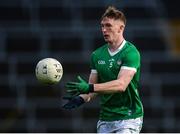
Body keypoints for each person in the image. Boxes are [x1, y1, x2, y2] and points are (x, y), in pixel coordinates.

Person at [63, 5, 143, 133]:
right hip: (105, 119)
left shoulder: (131, 53)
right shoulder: (97, 55)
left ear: (121, 28)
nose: (104, 30)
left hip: (128, 117)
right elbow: (93, 87)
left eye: (109, 26)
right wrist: (81, 98)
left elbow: (121, 85)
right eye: (102, 26)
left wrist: (90, 87)